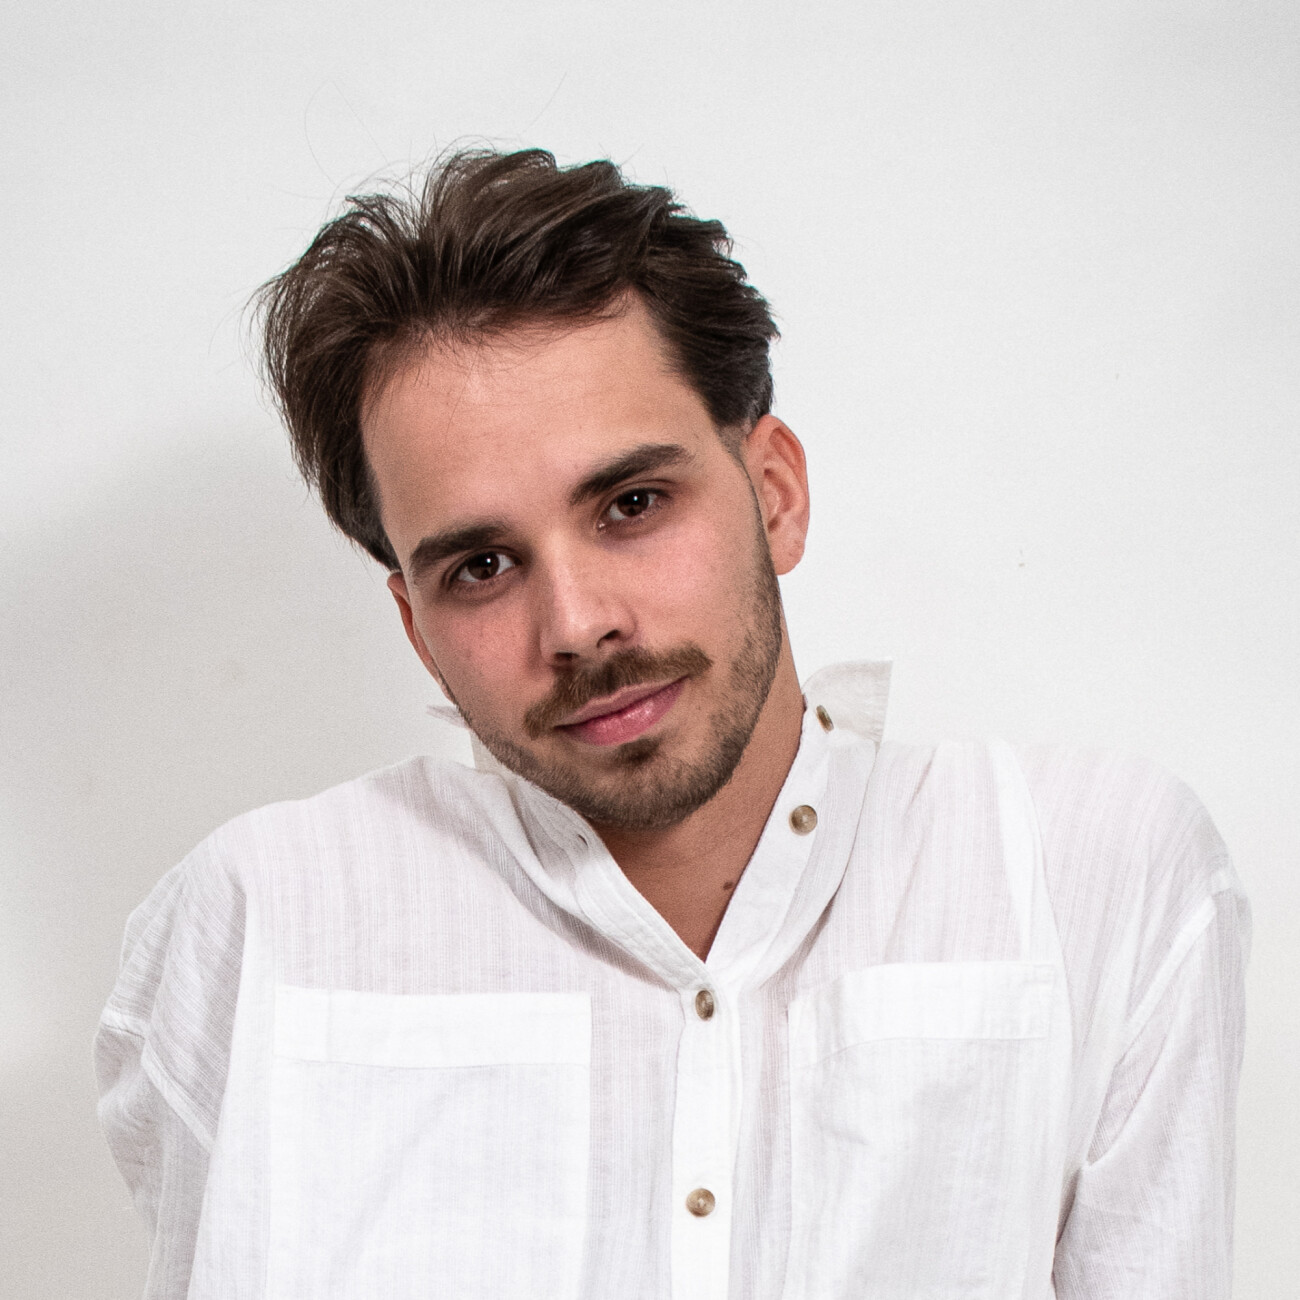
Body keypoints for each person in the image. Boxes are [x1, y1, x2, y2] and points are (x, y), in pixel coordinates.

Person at [95, 148, 1249, 1300]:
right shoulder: (264, 926)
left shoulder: (1082, 874)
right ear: (416, 626)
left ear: (774, 492)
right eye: (481, 566)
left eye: (632, 504)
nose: (577, 624)